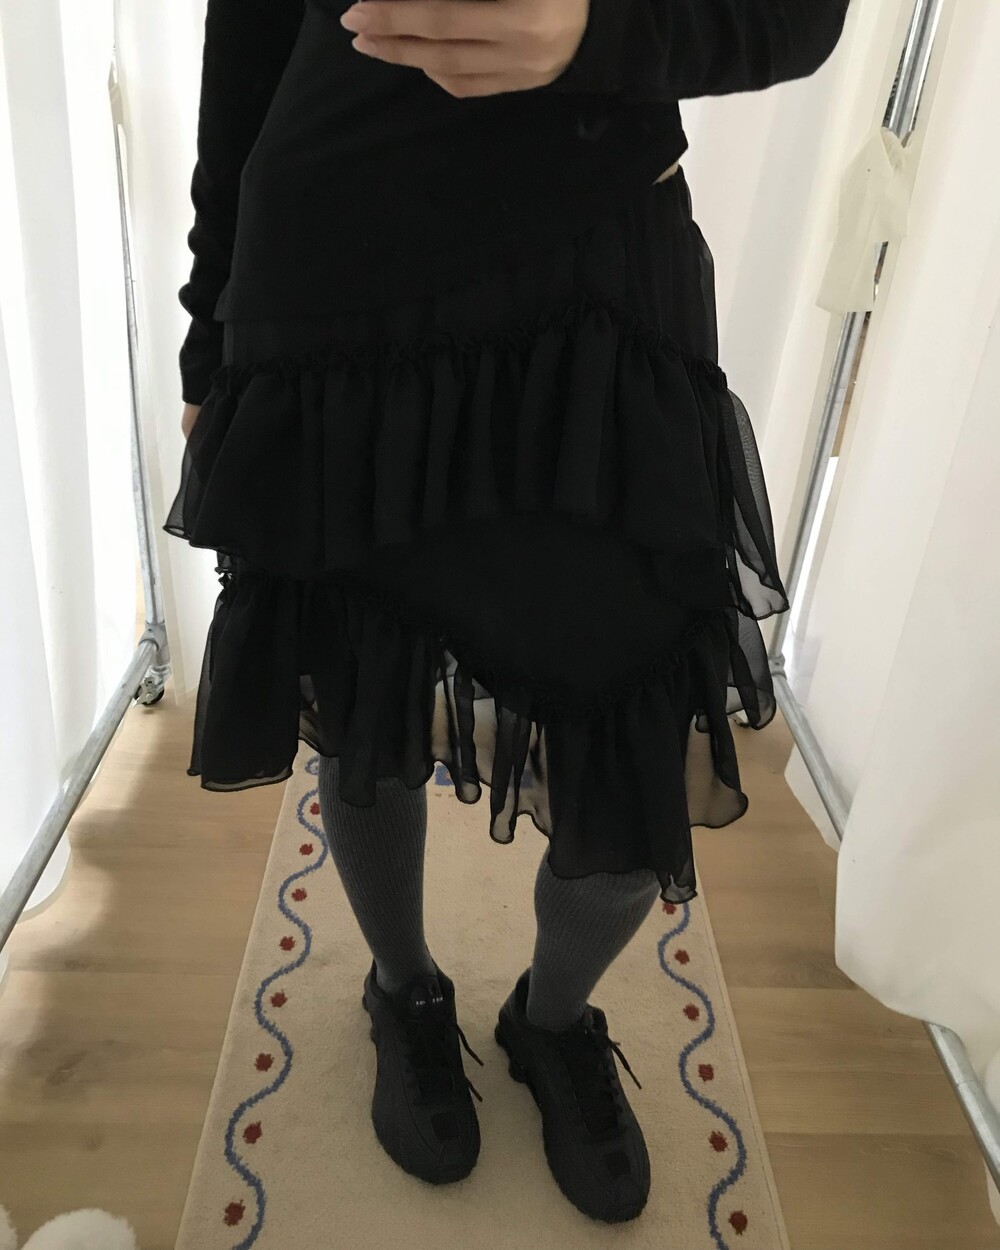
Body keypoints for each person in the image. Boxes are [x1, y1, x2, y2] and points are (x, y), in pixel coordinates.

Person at [166, 0, 850, 1224]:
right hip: (331, 278)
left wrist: (598, 31)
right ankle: (403, 989)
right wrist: (207, 332)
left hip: (596, 280)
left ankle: (552, 1017)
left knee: (639, 734)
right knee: (363, 688)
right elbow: (252, 31)